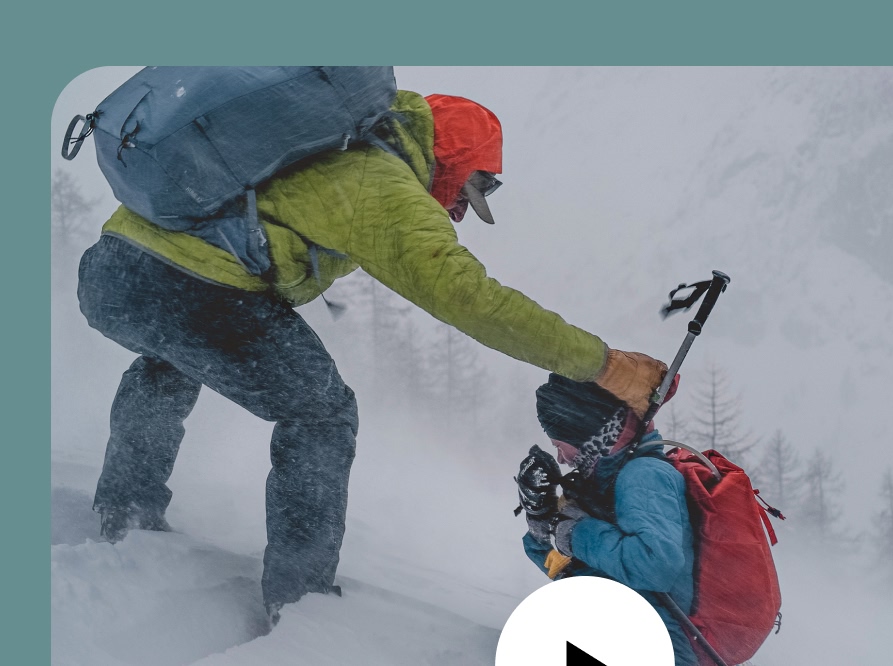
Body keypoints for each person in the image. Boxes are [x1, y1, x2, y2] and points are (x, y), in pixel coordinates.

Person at [76, 86, 668, 621]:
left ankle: (124, 514)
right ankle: (300, 601)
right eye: (467, 191)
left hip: (112, 271)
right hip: (189, 287)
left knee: (172, 355)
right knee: (322, 414)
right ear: (450, 159)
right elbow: (471, 299)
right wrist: (607, 365)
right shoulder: (377, 180)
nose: (461, 210)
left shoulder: (325, 150)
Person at [517, 374, 697, 666]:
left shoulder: (644, 475)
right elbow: (568, 569)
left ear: (588, 435)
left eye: (560, 445)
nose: (560, 459)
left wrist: (572, 533)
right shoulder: (602, 486)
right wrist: (541, 518)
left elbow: (657, 566)